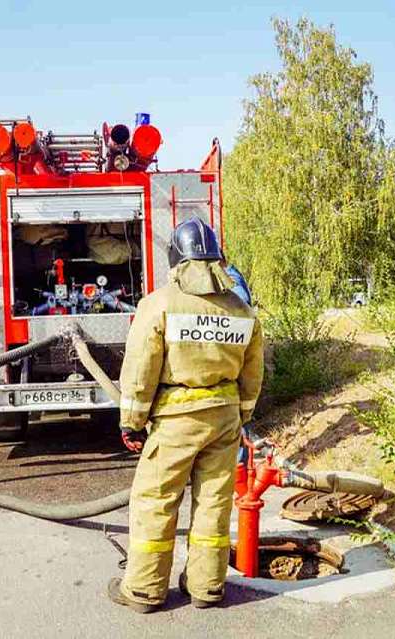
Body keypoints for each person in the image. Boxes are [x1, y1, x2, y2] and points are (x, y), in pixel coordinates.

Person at [108, 218, 265, 613]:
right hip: (225, 420)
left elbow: (141, 368)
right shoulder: (242, 310)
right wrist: (242, 415)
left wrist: (132, 422)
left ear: (177, 260)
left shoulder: (159, 304)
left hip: (176, 420)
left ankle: (144, 590)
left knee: (156, 501)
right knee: (214, 502)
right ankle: (207, 587)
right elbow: (253, 374)